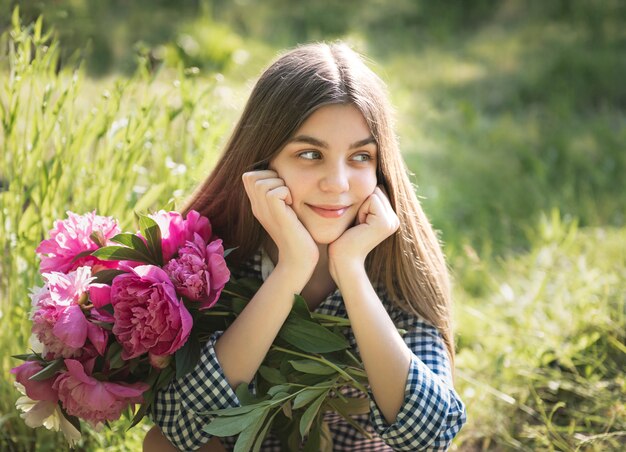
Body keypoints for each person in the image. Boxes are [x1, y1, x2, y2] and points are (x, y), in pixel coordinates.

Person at [143, 41, 466, 451]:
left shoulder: (396, 266)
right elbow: (178, 425)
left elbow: (431, 436)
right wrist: (291, 270)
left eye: (360, 156)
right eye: (310, 154)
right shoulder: (210, 262)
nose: (338, 183)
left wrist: (350, 269)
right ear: (263, 162)